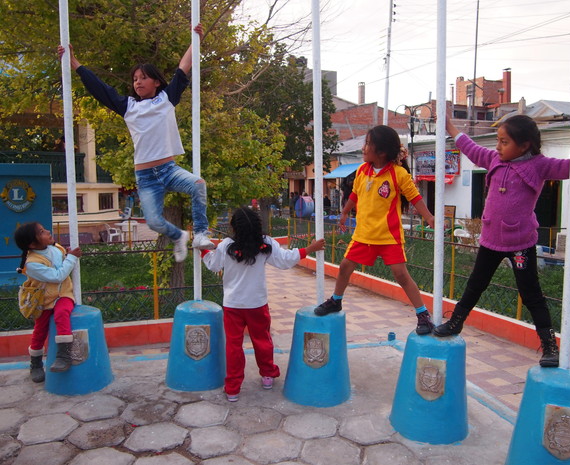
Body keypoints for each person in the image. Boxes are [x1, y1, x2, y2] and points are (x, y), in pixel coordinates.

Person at [434, 111, 570, 367]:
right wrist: (450, 127)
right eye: (498, 141)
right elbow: (471, 148)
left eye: (504, 142)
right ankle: (455, 323)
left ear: (524, 145)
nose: (497, 147)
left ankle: (550, 346)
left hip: (521, 244)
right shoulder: (494, 159)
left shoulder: (540, 165)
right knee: (475, 285)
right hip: (490, 240)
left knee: (531, 294)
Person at [57, 23, 213, 262]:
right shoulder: (127, 106)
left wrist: (197, 40)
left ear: (156, 82)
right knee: (153, 221)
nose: (138, 82)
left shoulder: (167, 99)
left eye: (143, 78)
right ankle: (178, 235)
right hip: (146, 176)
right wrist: (75, 63)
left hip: (168, 169)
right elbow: (99, 88)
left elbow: (183, 68)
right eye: (135, 79)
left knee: (198, 184)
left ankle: (201, 233)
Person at [314, 125, 436, 335]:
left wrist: (430, 218)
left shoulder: (399, 174)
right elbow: (354, 194)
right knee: (344, 266)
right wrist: (344, 213)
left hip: (389, 236)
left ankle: (422, 314)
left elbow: (415, 198)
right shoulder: (362, 171)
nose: (363, 148)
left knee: (401, 275)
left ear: (381, 152)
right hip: (364, 235)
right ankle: (336, 300)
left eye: (368, 144)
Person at [201, 207, 325, 401]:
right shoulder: (266, 244)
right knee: (262, 340)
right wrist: (310, 249)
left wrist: (203, 250)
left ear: (234, 227)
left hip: (233, 305)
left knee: (233, 345)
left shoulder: (226, 245)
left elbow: (213, 264)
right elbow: (285, 260)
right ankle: (268, 375)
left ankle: (232, 388)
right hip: (257, 304)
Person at [15, 223, 82, 382]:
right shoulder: (32, 263)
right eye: (42, 232)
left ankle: (64, 355)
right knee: (40, 330)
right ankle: (36, 363)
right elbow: (58, 275)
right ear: (32, 244)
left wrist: (68, 255)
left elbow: (62, 265)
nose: (47, 232)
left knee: (62, 314)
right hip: (44, 299)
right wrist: (72, 257)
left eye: (44, 229)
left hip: (63, 294)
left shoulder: (55, 248)